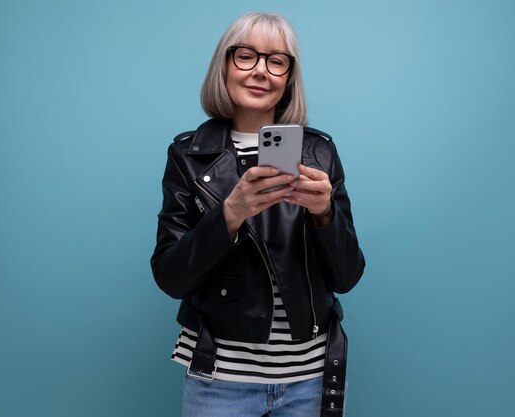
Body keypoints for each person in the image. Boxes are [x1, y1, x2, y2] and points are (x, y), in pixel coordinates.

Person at [150, 12, 365, 417]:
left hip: (311, 379)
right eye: (246, 56)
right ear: (225, 65)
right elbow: (170, 276)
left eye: (276, 61)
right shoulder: (188, 155)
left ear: (288, 78)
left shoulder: (319, 153)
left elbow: (348, 276)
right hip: (220, 382)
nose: (261, 71)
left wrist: (324, 216)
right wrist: (230, 213)